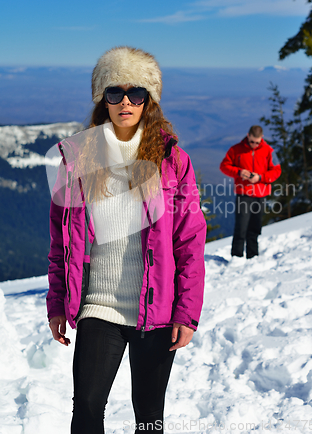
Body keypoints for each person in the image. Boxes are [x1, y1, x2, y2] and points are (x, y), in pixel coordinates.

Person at [46, 46, 206, 434]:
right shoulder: (79, 157)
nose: (126, 102)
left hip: (156, 311)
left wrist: (187, 311)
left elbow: (190, 241)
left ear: (149, 101)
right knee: (85, 407)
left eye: (137, 94)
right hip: (98, 305)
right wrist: (56, 302)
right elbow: (60, 242)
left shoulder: (172, 160)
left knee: (149, 416)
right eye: (114, 93)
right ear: (103, 99)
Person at [220, 125, 281, 259]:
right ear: (248, 136)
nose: (254, 145)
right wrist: (239, 172)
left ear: (262, 139)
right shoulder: (236, 150)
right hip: (244, 193)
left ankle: (253, 257)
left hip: (260, 194)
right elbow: (224, 166)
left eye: (257, 142)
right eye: (252, 141)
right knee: (241, 227)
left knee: (255, 227)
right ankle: (236, 257)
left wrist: (260, 177)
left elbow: (277, 170)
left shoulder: (269, 151)